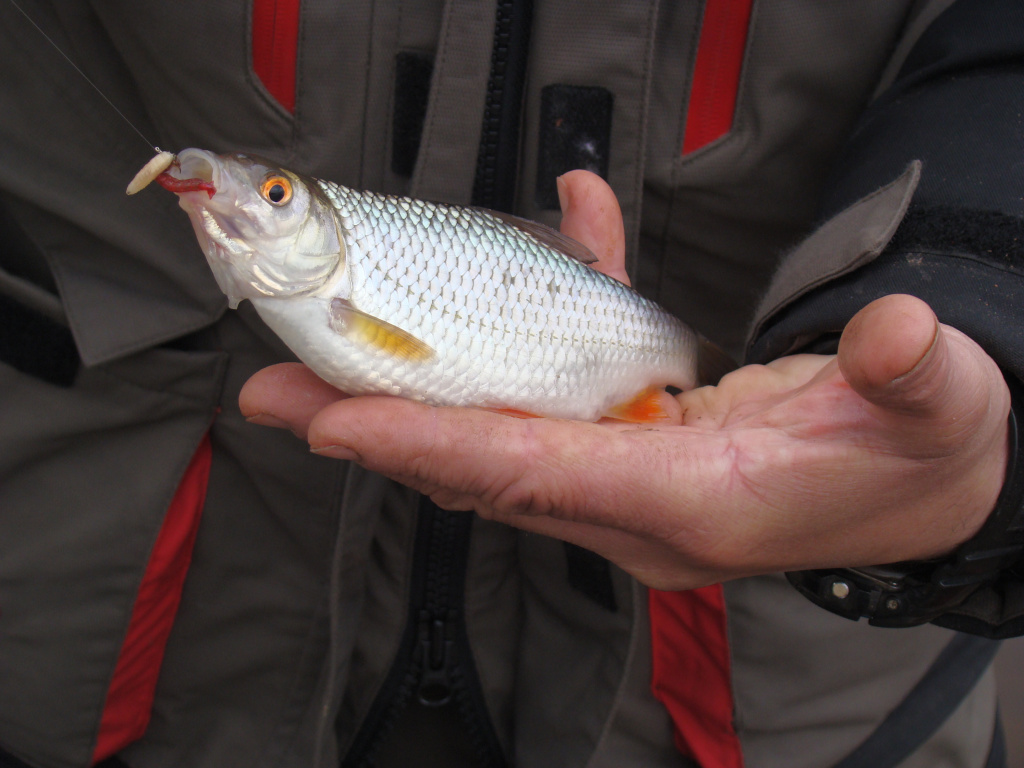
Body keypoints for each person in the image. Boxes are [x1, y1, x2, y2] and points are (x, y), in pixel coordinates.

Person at [0, 1, 1021, 767]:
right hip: (134, 619)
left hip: (760, 698)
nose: (246, 200)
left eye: (272, 196)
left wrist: (986, 306)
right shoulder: (289, 280)